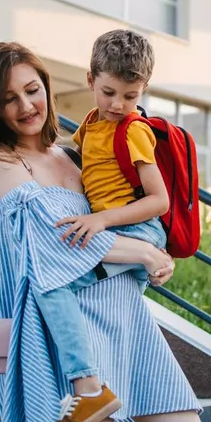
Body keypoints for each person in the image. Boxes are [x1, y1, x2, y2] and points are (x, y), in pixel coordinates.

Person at [0, 41, 211, 422]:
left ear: (48, 88)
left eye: (32, 90)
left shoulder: (74, 153)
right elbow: (53, 244)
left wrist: (151, 254)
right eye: (8, 99)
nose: (26, 106)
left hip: (128, 322)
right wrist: (144, 253)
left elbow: (122, 213)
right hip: (68, 336)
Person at [55, 29, 168, 282]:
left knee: (66, 279)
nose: (117, 105)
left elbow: (160, 201)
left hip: (136, 229)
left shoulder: (134, 131)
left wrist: (101, 219)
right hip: (109, 227)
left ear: (143, 89)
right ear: (90, 80)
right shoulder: (91, 122)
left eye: (130, 96)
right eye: (108, 93)